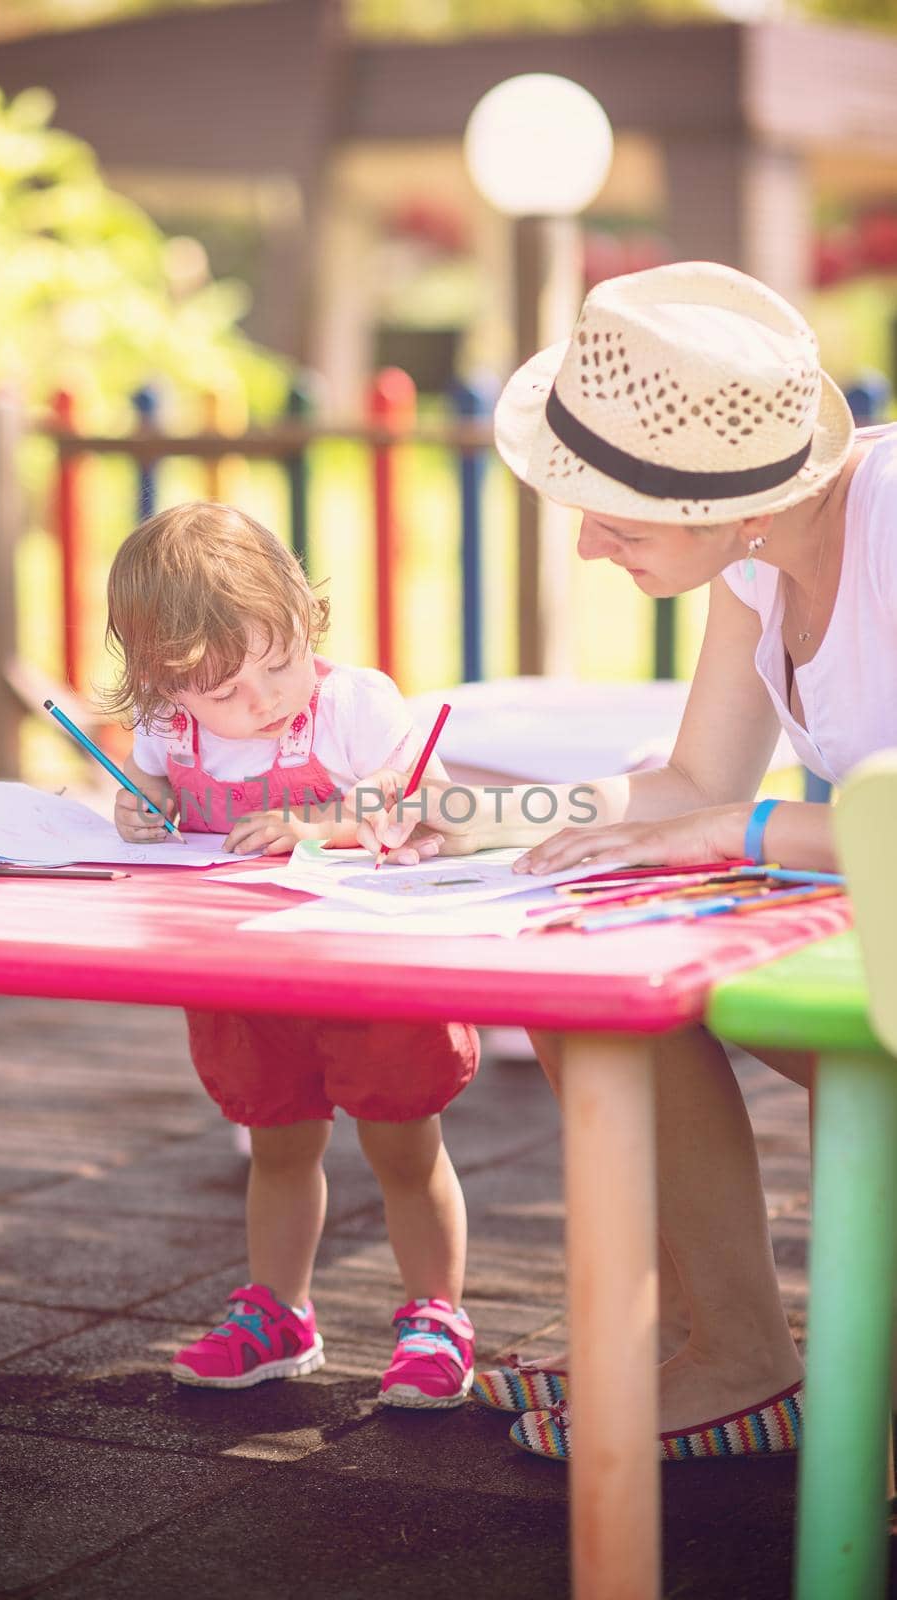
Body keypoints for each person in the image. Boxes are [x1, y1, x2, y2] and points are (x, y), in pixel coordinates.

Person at [360, 260, 897, 1459]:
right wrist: (479, 813)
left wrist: (745, 831)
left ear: (733, 497)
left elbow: (726, 815)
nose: (593, 545)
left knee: (631, 962)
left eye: (620, 513)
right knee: (590, 972)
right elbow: (693, 785)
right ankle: (733, 1353)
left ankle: (742, 1358)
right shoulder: (764, 545)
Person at [105, 501, 478, 1408]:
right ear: (161, 682)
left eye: (279, 663)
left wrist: (333, 820)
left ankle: (436, 1315)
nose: (262, 700)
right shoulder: (168, 727)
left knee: (403, 1147)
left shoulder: (350, 706)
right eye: (223, 691)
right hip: (246, 973)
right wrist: (140, 802)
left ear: (307, 621)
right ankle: (280, 1311)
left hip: (365, 967)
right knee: (276, 1144)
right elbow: (150, 781)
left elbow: (437, 806)